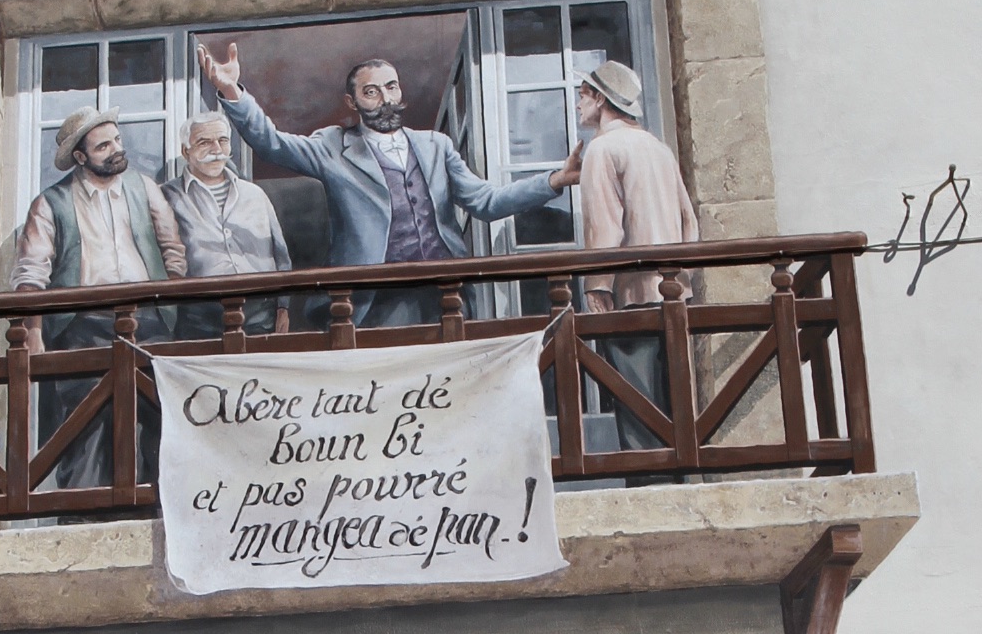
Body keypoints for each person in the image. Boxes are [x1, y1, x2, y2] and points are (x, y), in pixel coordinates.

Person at [194, 36, 565, 327]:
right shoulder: (332, 147)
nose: (385, 99)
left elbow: (487, 202)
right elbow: (271, 143)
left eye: (392, 87)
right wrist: (232, 91)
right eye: (371, 92)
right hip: (372, 301)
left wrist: (555, 180)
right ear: (352, 102)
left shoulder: (436, 146)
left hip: (446, 295)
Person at [9, 107, 186, 492]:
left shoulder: (144, 188)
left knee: (156, 415)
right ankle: (82, 515)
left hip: (148, 321)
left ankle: (154, 507)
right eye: (103, 145)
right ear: (80, 157)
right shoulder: (51, 203)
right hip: (83, 325)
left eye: (117, 141)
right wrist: (34, 330)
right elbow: (32, 271)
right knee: (84, 421)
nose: (116, 149)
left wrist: (168, 304)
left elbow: (173, 250)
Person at [545, 60, 700, 454]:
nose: (578, 105)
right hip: (672, 294)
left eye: (582, 96)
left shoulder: (603, 149)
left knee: (636, 408)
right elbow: (688, 221)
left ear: (600, 98)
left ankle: (649, 483)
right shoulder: (658, 148)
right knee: (672, 404)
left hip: (630, 296)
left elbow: (605, 229)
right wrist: (683, 281)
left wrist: (598, 285)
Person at [160, 106, 290, 340]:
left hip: (260, 313)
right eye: (204, 142)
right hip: (198, 316)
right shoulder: (167, 196)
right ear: (185, 151)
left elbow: (280, 255)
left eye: (222, 140)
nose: (217, 150)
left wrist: (283, 307)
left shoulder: (254, 194)